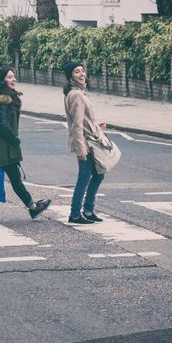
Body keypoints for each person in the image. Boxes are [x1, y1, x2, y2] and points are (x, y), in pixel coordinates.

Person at [0, 68, 50, 225]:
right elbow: (3, 125)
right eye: (10, 77)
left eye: (14, 76)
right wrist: (14, 140)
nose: (14, 79)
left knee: (15, 180)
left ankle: (33, 207)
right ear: (2, 80)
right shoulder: (3, 101)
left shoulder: (1, 97)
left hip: (2, 147)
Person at [64, 61, 108, 224]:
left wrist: (97, 126)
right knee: (85, 177)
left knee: (98, 174)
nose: (82, 74)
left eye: (83, 71)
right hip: (86, 143)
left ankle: (88, 210)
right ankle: (75, 214)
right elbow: (76, 124)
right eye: (77, 72)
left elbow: (84, 121)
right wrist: (81, 149)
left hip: (89, 139)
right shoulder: (76, 95)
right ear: (70, 77)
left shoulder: (78, 93)